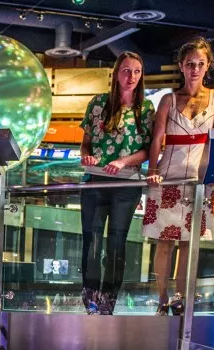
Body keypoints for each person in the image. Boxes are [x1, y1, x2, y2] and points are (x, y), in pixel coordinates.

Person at [144, 38, 214, 315]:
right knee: (164, 243)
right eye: (190, 64)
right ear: (181, 66)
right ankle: (162, 298)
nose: (195, 69)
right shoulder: (168, 99)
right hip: (168, 177)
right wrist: (153, 170)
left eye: (200, 64)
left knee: (189, 244)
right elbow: (157, 138)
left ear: (208, 67)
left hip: (200, 180)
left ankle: (180, 297)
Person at [79, 51, 155, 315]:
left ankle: (108, 299)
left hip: (126, 183)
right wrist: (85, 156)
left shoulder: (145, 107)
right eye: (126, 70)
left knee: (116, 244)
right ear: (116, 73)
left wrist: (123, 162)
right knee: (92, 240)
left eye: (136, 71)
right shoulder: (98, 103)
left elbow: (147, 150)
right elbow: (86, 142)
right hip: (96, 179)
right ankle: (89, 294)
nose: (131, 76)